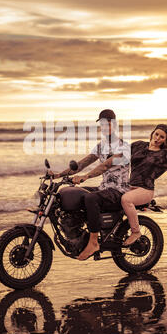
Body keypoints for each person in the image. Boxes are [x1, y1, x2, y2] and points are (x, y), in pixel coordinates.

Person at [48, 109, 131, 260]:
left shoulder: (124, 147)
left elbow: (105, 165)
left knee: (90, 198)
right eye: (102, 125)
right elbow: (82, 163)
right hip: (104, 188)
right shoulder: (101, 146)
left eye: (107, 124)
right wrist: (59, 175)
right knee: (71, 194)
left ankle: (93, 242)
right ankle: (77, 235)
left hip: (119, 190)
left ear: (114, 124)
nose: (104, 128)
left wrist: (86, 176)